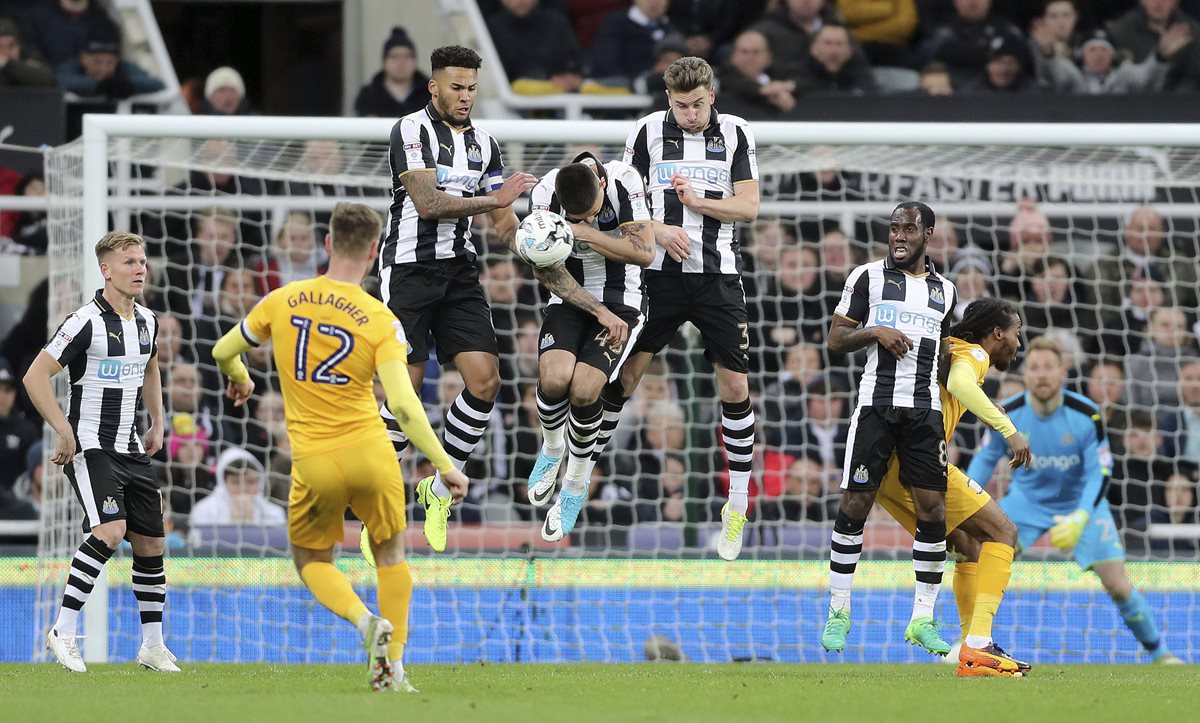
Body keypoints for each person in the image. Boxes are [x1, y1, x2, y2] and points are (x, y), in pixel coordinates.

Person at [211, 202, 470, 692]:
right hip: (372, 453)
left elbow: (223, 350)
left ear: (327, 244)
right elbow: (406, 407)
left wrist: (241, 379)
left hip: (315, 460)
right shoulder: (380, 318)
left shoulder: (283, 300)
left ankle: (362, 619)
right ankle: (393, 668)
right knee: (391, 555)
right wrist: (443, 465)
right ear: (374, 252)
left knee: (312, 562)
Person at [380, 45, 600, 554]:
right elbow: (428, 203)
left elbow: (503, 224)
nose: (465, 97)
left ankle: (440, 488)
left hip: (458, 273)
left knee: (485, 381)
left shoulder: (486, 145)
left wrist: (534, 243)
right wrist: (495, 200)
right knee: (402, 393)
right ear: (433, 86)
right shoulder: (410, 131)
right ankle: (382, 509)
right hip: (409, 271)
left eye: (472, 88)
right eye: (456, 87)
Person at [613, 56, 760, 561]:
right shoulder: (646, 133)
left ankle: (736, 504)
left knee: (735, 385)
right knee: (627, 374)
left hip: (718, 276)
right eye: (681, 106)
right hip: (657, 274)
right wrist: (657, 229)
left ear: (712, 96)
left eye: (697, 104)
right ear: (667, 101)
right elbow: (622, 206)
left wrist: (698, 203)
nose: (690, 114)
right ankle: (578, 478)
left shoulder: (737, 133)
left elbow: (749, 206)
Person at [966, 336, 1183, 664]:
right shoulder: (1006, 412)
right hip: (1026, 502)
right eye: (1035, 368)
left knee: (1118, 586)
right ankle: (970, 641)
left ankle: (1160, 653)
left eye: (1049, 368)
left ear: (1063, 372)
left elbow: (1100, 471)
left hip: (1081, 503)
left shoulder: (1086, 414)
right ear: (1025, 375)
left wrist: (1081, 515)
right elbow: (985, 458)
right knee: (980, 560)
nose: (1041, 375)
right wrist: (969, 502)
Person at [23, 232, 176, 673]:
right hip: (90, 445)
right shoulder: (83, 321)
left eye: (142, 260)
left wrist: (159, 420)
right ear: (106, 270)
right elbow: (35, 377)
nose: (140, 268)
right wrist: (62, 428)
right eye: (129, 262)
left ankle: (152, 646)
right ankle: (63, 631)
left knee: (151, 543)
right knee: (110, 532)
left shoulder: (148, 321)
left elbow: (151, 368)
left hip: (131, 447)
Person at [819, 201, 959, 656]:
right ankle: (838, 610)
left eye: (908, 229)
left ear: (928, 234)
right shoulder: (867, 278)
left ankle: (922, 617)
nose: (899, 236)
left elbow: (944, 354)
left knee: (933, 511)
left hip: (925, 412)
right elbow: (836, 340)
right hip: (877, 406)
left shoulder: (946, 291)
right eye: (893, 229)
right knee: (855, 503)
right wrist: (876, 331)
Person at [871, 298, 1033, 676]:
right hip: (919, 462)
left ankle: (967, 647)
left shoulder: (953, 350)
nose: (1018, 343)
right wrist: (1008, 430)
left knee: (966, 544)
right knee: (1003, 531)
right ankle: (979, 644)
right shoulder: (974, 354)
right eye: (1016, 333)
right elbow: (961, 382)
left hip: (886, 471)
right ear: (997, 334)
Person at [524, 152, 654, 542]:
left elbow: (645, 252)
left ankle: (576, 484)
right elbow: (544, 269)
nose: (586, 220)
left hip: (624, 300)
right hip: (572, 299)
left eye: (593, 213)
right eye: (576, 218)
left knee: (584, 389)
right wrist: (596, 310)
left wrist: (587, 234)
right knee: (554, 378)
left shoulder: (624, 180)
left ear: (600, 185)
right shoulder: (545, 195)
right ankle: (550, 449)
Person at [353, 27, 431, 118]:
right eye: (395, 56)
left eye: (406, 56)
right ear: (384, 61)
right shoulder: (368, 96)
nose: (401, 62)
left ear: (414, 61)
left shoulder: (430, 95)